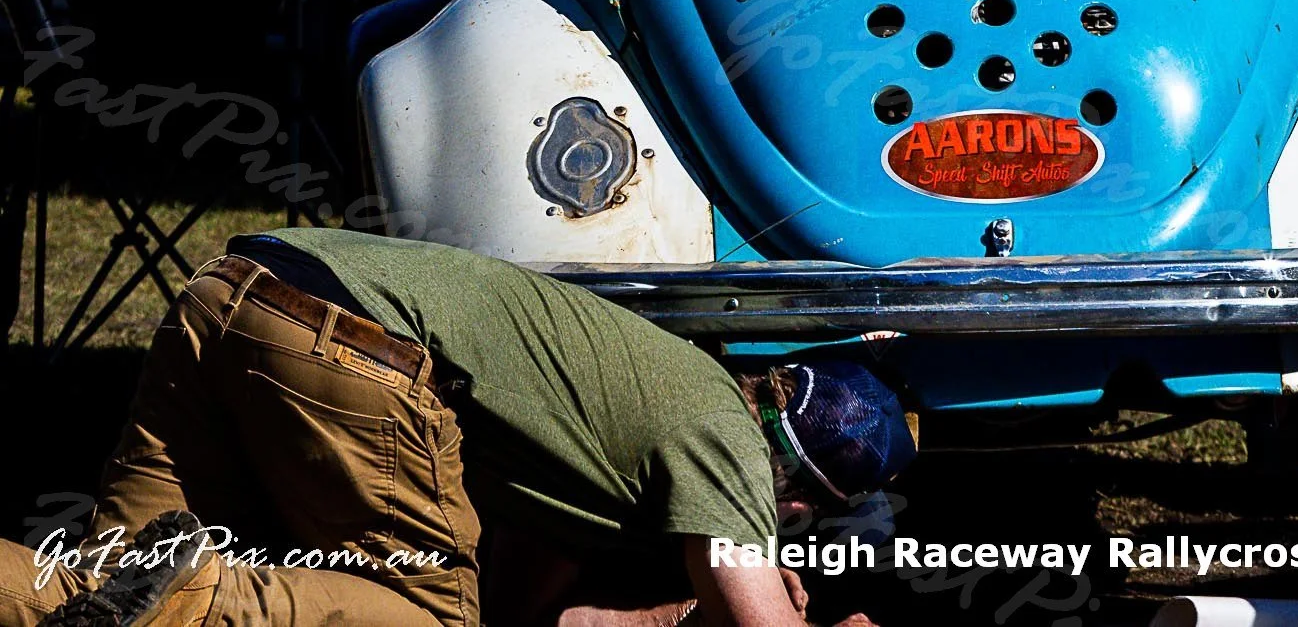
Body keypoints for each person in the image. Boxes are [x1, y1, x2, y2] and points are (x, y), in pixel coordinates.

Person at [0, 229, 914, 627]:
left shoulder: (620, 431)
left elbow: (519, 620)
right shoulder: (721, 433)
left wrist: (675, 615)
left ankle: (151, 594)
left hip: (237, 292)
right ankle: (195, 600)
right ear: (786, 492)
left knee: (93, 592)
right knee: (424, 616)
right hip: (347, 340)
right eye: (793, 515)